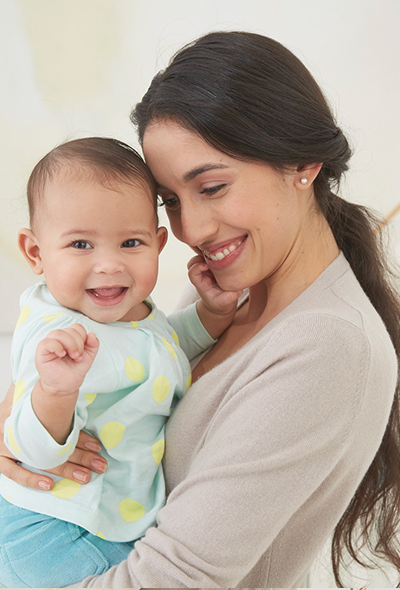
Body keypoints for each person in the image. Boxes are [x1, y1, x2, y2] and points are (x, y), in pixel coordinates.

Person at [1, 31, 400, 588]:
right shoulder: (228, 286)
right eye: (171, 201)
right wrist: (23, 422)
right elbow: (128, 369)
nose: (189, 229)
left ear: (302, 164)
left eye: (211, 186)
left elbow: (174, 578)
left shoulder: (328, 346)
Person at [0, 136, 241, 588]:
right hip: (54, 528)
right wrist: (56, 392)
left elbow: (163, 349)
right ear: (36, 252)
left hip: (106, 521)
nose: (109, 265)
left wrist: (212, 314)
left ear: (159, 243)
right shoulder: (57, 342)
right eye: (80, 245)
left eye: (130, 242)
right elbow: (29, 447)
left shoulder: (136, 312)